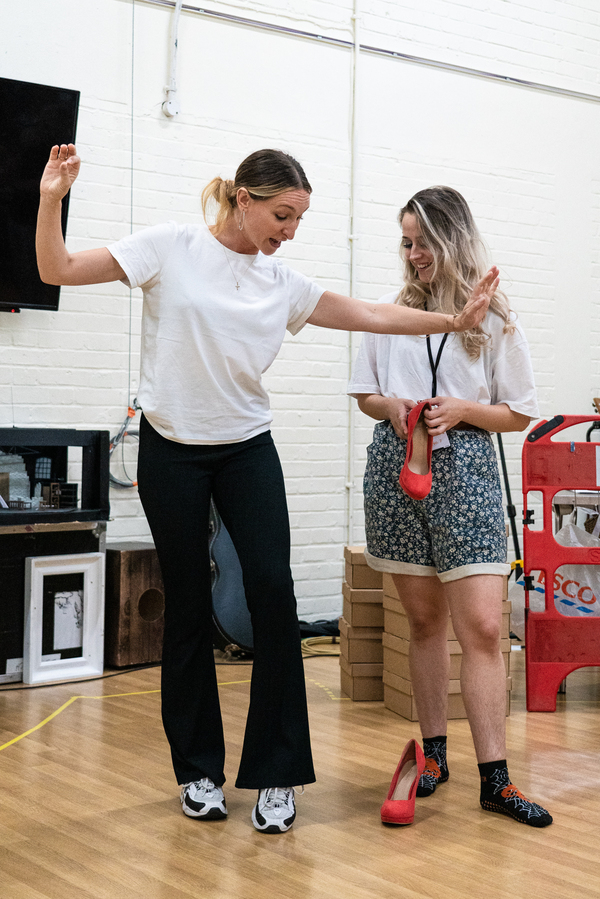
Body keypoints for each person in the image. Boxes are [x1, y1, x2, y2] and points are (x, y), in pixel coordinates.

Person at [36, 146, 494, 834]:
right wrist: (51, 199)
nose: (290, 230)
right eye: (283, 215)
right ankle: (198, 770)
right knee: (187, 604)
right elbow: (57, 269)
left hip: (247, 449)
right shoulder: (170, 247)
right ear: (243, 199)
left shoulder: (281, 282)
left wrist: (452, 323)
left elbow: (372, 314)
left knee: (273, 596)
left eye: (299, 218)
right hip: (172, 452)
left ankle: (277, 774)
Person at [348, 185, 553, 828]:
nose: (412, 256)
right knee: (424, 622)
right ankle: (433, 756)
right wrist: (399, 410)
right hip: (397, 464)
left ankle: (497, 778)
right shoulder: (388, 312)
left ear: (451, 239)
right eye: (405, 243)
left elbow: (518, 412)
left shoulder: (495, 319)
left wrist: (463, 410)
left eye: (422, 243)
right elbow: (365, 394)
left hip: (467, 471)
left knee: (485, 628)